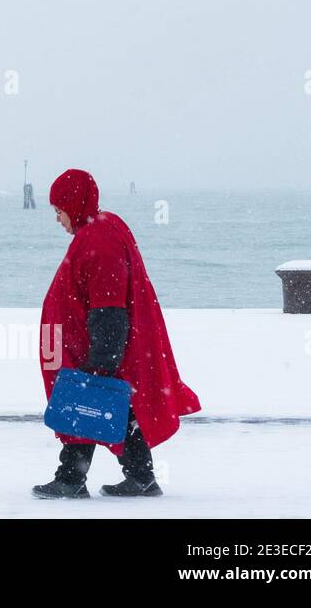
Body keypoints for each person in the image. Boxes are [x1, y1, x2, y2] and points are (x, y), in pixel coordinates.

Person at [33, 169, 201, 499]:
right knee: (115, 409)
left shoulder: (99, 240)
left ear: (74, 203)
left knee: (85, 406)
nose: (58, 219)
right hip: (98, 342)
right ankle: (140, 477)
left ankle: (71, 478)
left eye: (59, 210)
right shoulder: (99, 230)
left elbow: (108, 305)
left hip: (102, 343)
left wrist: (102, 358)